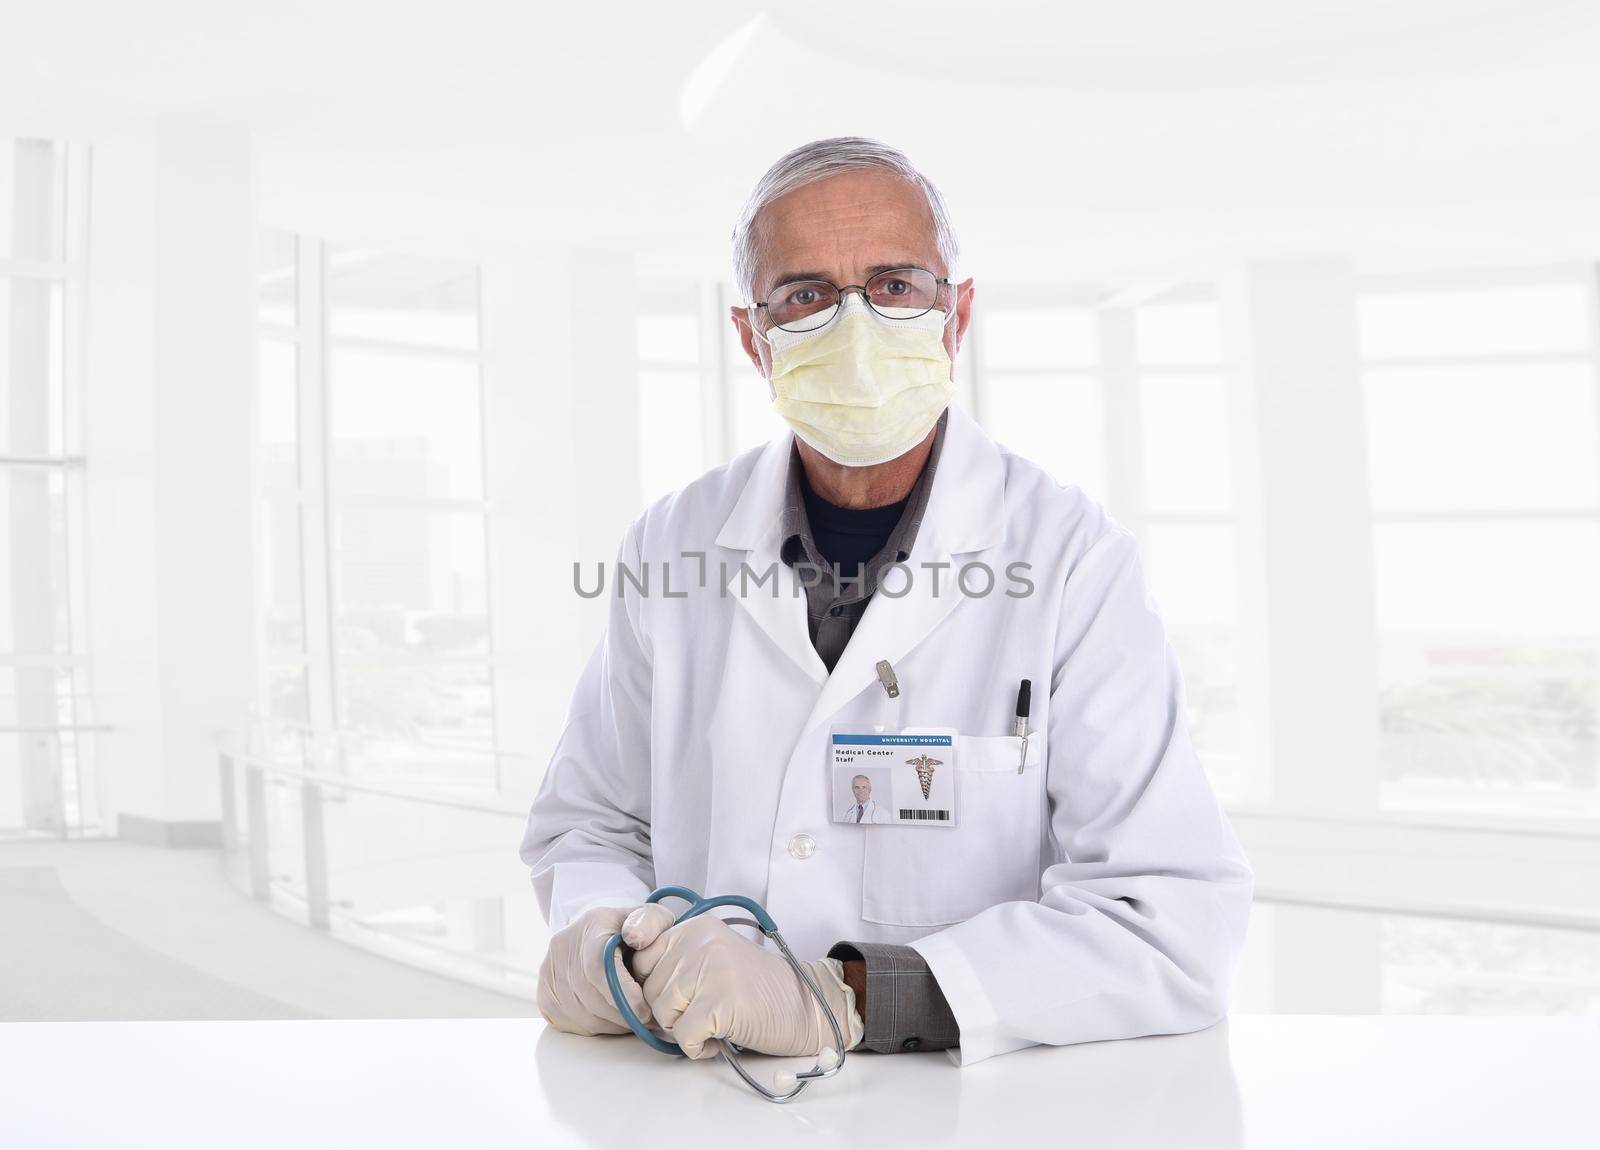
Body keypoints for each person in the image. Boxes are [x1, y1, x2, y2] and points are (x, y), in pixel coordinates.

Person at [522, 136, 1253, 1066]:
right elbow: (592, 822)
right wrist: (606, 940)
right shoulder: (675, 544)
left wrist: (850, 994)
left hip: (958, 1113)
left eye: (896, 285)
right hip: (698, 1099)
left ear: (958, 315)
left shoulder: (1070, 557)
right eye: (806, 295)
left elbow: (1168, 921)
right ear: (753, 337)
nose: (854, 325)